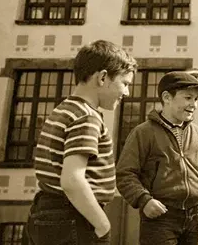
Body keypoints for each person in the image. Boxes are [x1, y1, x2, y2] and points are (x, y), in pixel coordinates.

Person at [26, 40, 137, 244]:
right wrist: (102, 225)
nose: (127, 93)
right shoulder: (87, 117)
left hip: (46, 209)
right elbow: (72, 180)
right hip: (73, 215)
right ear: (103, 77)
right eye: (125, 83)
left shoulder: (64, 109)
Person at [116, 70, 198, 245]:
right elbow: (125, 174)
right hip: (160, 218)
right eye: (188, 98)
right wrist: (144, 201)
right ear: (167, 97)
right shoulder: (143, 133)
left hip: (195, 218)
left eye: (196, 99)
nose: (194, 105)